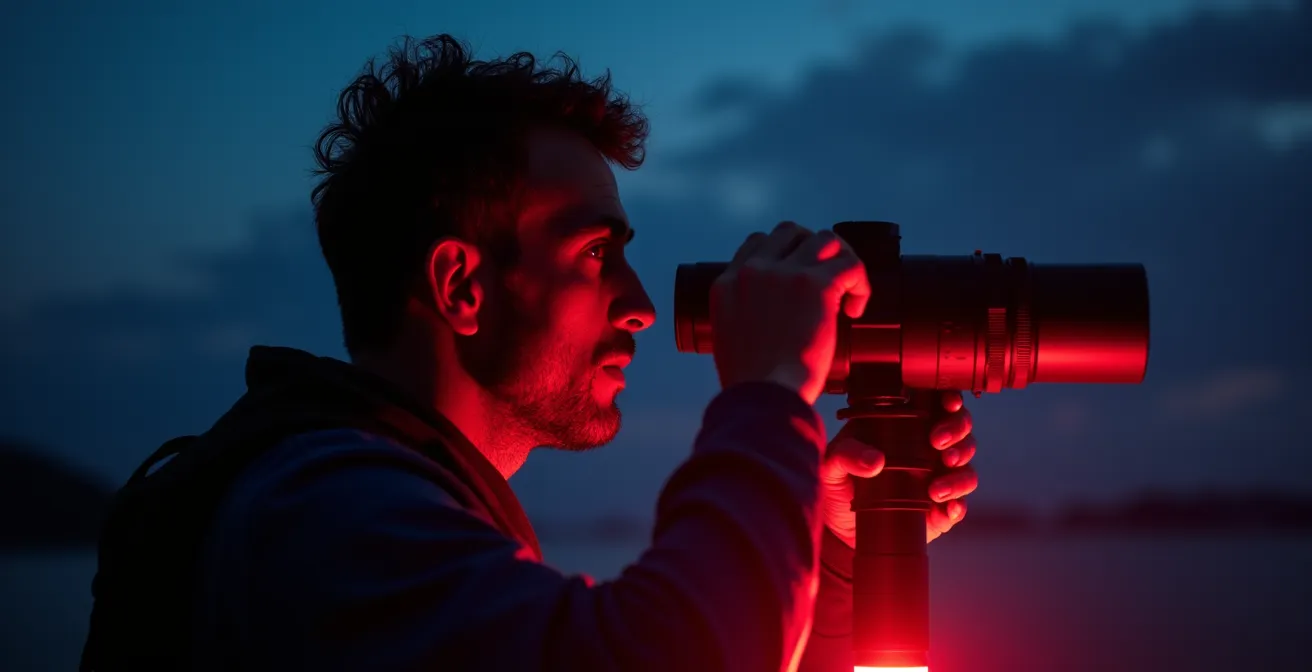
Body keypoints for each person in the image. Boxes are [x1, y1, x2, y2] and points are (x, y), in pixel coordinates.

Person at [83, 34, 979, 672]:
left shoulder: (388, 513)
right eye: (596, 254)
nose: (636, 305)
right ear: (462, 287)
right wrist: (772, 387)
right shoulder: (322, 515)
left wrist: (823, 545)